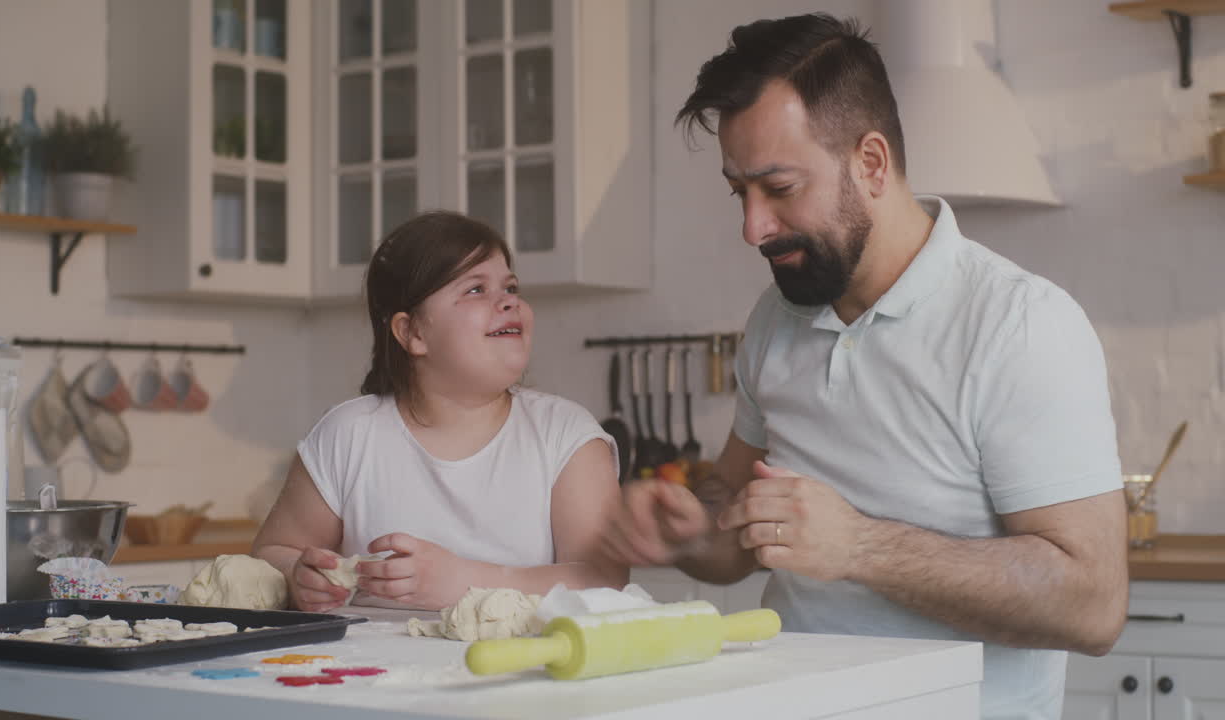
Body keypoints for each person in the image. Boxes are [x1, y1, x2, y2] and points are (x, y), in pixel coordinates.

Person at [603, 14, 1126, 720]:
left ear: (871, 164)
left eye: (779, 188)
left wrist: (861, 546)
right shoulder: (774, 320)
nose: (752, 228)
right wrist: (693, 533)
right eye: (739, 192)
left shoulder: (1019, 325)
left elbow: (1092, 605)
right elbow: (740, 527)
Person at [254, 210, 627, 612]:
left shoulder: (566, 436)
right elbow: (270, 555)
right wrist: (298, 575)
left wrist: (463, 582)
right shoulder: (348, 434)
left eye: (511, 286)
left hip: (519, 672)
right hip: (367, 673)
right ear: (412, 332)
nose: (508, 302)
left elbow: (603, 580)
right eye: (475, 290)